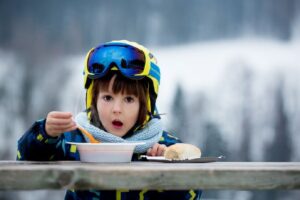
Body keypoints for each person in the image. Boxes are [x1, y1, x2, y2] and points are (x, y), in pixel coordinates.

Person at [17, 40, 202, 200]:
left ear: (145, 105)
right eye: (107, 98)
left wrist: (168, 167)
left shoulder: (162, 146)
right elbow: (25, 158)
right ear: (93, 100)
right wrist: (45, 133)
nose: (117, 109)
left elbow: (194, 191)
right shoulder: (76, 139)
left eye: (129, 99)